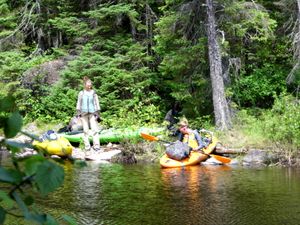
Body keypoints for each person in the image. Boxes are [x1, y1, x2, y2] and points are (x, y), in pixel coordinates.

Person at [76, 76, 101, 153]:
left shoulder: (93, 93)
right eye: (88, 84)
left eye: (90, 84)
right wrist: (78, 114)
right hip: (83, 114)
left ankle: (96, 146)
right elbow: (78, 103)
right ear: (85, 84)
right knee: (85, 131)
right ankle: (87, 147)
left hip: (93, 113)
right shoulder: (81, 93)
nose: (90, 85)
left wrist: (98, 113)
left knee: (94, 130)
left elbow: (97, 103)